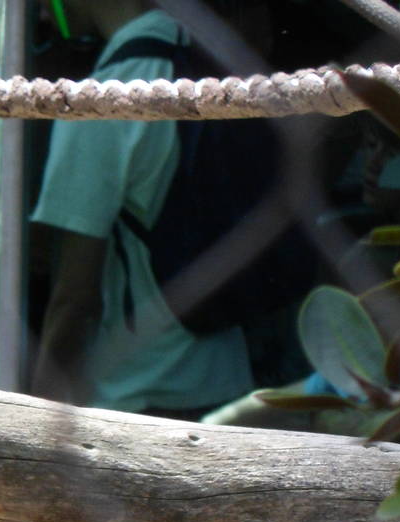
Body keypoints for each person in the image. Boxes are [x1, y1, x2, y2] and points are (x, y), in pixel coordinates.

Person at [29, 0, 255, 414]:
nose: (42, 12)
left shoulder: (107, 94)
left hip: (142, 392)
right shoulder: (217, 62)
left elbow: (74, 299)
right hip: (230, 381)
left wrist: (29, 426)